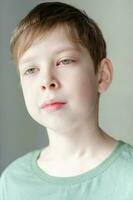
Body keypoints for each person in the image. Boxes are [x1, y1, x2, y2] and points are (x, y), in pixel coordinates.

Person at [0, 2, 133, 199]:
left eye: (64, 61)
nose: (47, 81)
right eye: (31, 70)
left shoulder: (128, 176)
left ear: (102, 75)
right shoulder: (12, 182)